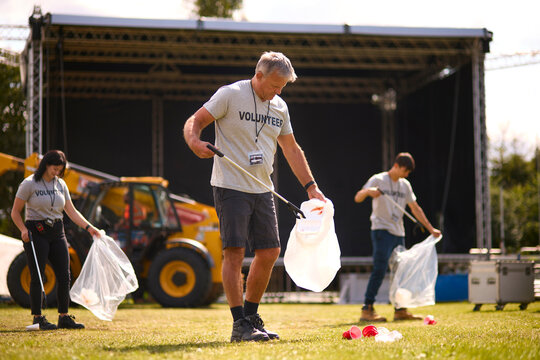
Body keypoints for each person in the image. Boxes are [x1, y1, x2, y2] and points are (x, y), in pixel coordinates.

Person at [184, 51, 325, 342]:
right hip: (231, 185)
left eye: (282, 87)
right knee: (234, 252)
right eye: (274, 85)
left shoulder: (280, 107)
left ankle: (251, 317)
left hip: (263, 188)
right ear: (258, 75)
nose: (278, 91)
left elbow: (291, 149)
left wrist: (311, 186)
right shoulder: (230, 94)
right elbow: (194, 121)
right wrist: (194, 141)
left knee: (270, 251)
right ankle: (239, 324)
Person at [11, 150, 101, 330]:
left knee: (65, 275)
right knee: (38, 275)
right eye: (54, 168)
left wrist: (89, 228)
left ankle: (64, 316)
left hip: (57, 232)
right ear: (45, 165)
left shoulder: (61, 184)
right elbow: (15, 212)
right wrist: (22, 230)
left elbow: (72, 211)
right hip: (36, 232)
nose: (56, 173)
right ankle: (38, 318)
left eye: (60, 170)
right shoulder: (29, 184)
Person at [354, 152, 441, 322]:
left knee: (400, 271)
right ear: (396, 166)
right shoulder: (378, 179)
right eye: (405, 171)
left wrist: (431, 229)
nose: (406, 175)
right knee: (380, 269)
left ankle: (400, 310)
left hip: (398, 233)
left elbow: (415, 208)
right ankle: (367, 309)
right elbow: (358, 197)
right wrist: (369, 192)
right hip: (381, 230)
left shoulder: (405, 185)